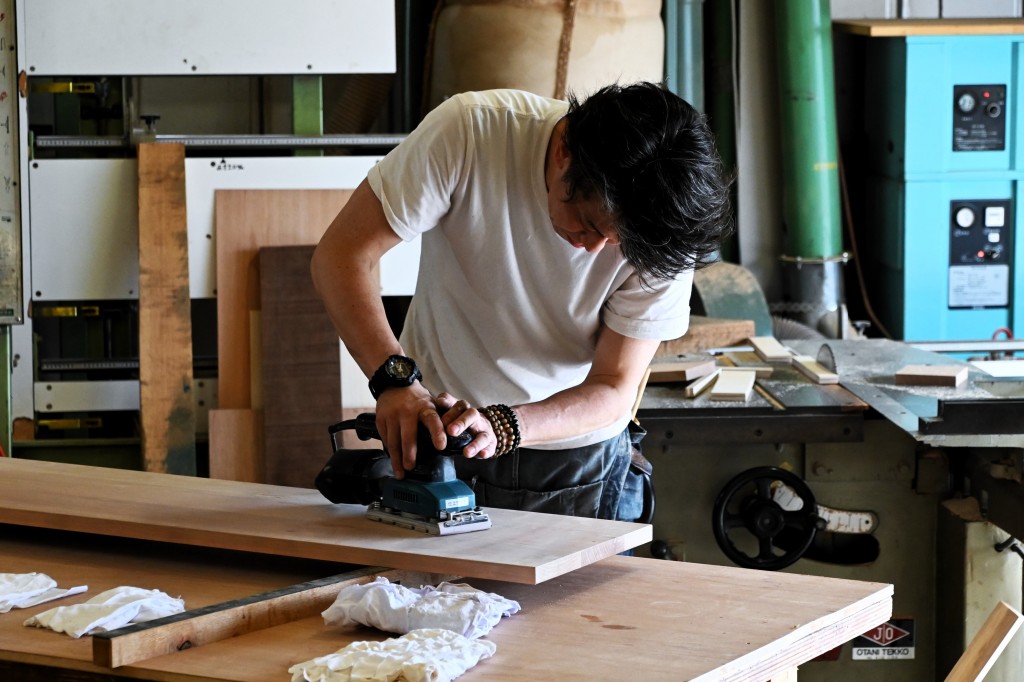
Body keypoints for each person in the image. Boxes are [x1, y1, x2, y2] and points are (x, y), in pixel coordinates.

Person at [311, 81, 732, 521]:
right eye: (590, 224)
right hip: (437, 436)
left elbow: (613, 385)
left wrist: (506, 425)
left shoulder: (667, 230)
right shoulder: (472, 133)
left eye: (617, 242)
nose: (595, 249)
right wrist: (393, 380)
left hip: (573, 460)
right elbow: (341, 256)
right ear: (564, 152)